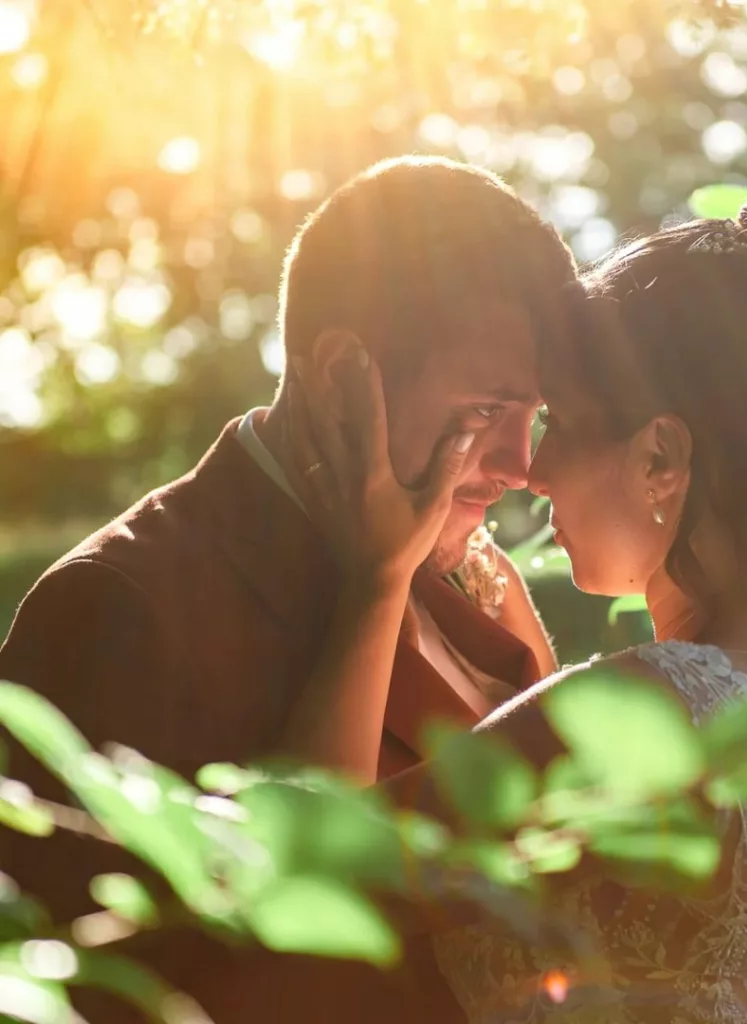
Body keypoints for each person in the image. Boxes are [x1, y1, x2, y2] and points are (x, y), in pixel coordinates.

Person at [0, 156, 577, 1023]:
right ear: (345, 373)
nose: (520, 466)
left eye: (534, 417)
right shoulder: (115, 605)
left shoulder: (468, 569)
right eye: (489, 411)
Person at [334, 182, 747, 1022]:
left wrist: (375, 577)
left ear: (660, 457)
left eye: (563, 424)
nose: (533, 471)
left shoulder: (648, 704)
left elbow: (316, 869)